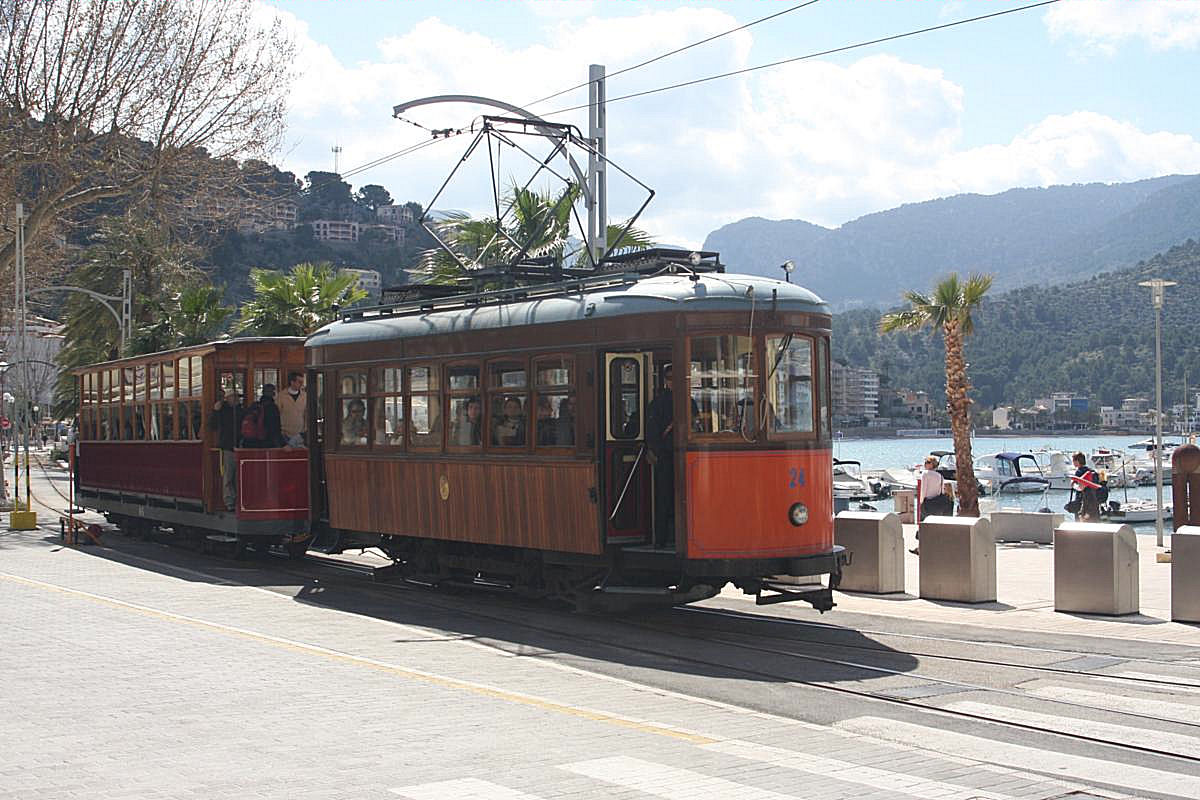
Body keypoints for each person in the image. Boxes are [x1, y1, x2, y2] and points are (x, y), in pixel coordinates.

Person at [645, 363, 677, 546]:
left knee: (665, 498)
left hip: (669, 456)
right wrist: (658, 452)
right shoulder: (659, 404)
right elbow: (653, 432)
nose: (674, 382)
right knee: (665, 498)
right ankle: (663, 538)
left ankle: (663, 540)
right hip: (667, 457)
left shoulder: (657, 403)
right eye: (671, 378)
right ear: (665, 380)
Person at [913, 454, 953, 554]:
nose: (925, 464)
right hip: (937, 503)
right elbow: (941, 492)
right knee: (935, 526)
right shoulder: (940, 476)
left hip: (927, 503)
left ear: (931, 464)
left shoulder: (925, 474)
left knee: (923, 526)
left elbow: (923, 490)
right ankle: (936, 546)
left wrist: (921, 503)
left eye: (927, 462)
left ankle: (920, 548)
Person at [210, 389, 243, 511]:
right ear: (228, 398)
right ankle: (229, 501)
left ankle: (239, 500)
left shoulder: (241, 411)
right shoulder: (222, 411)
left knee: (238, 476)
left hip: (240, 447)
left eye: (237, 397)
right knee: (228, 476)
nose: (236, 399)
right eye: (233, 397)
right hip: (227, 447)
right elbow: (213, 425)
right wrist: (215, 411)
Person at [243, 383, 284, 448]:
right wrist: (282, 444)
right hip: (266, 442)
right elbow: (274, 428)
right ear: (273, 393)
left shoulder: (254, 405)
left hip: (250, 442)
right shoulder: (272, 407)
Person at [1069, 451, 1102, 522]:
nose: (1073, 463)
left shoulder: (1079, 472)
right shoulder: (1092, 471)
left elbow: (1080, 487)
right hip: (1094, 501)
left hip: (1083, 502)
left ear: (1077, 461)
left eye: (1074, 461)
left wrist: (1073, 484)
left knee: (1081, 522)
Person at [279, 371, 307, 447]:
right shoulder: (281, 396)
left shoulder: (305, 396)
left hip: (300, 434)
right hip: (285, 434)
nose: (302, 384)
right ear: (292, 382)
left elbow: (306, 414)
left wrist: (305, 430)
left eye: (302, 382)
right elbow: (277, 415)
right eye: (299, 382)